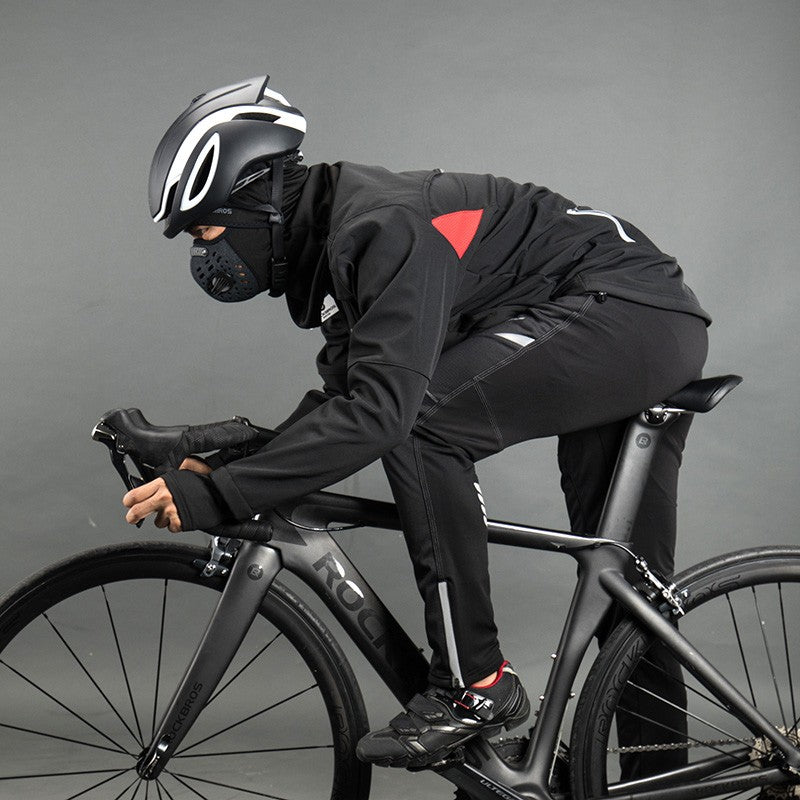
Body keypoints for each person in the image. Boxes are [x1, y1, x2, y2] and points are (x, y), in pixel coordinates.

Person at [124, 74, 710, 772]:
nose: (205, 256)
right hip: (616, 318)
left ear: (261, 206)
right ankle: (663, 780)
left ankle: (476, 683)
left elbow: (382, 414)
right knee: (629, 594)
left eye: (207, 230)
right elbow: (346, 404)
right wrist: (223, 468)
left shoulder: (385, 226)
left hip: (633, 313)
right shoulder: (344, 244)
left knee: (422, 421)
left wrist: (219, 495)